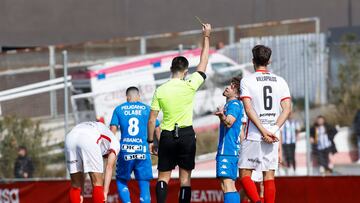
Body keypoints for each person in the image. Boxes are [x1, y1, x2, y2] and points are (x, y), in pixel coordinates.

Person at [147, 22, 212, 203]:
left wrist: (151, 141)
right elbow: (203, 62)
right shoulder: (190, 85)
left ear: (171, 70)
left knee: (163, 178)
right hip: (186, 134)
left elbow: (152, 120)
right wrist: (206, 36)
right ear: (185, 71)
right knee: (185, 180)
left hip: (167, 135)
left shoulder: (160, 90)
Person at [238, 45, 291, 203]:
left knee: (244, 174)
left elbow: (248, 109)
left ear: (252, 61)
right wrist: (272, 130)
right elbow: (287, 109)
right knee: (269, 176)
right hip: (273, 136)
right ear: (269, 61)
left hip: (255, 134)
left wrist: (262, 130)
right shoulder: (280, 81)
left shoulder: (247, 81)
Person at [110, 86, 160, 203]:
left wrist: (109, 148)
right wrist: (159, 145)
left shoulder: (119, 109)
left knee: (121, 180)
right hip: (143, 150)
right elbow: (157, 127)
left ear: (127, 97)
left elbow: (113, 129)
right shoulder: (147, 109)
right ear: (138, 96)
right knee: (144, 184)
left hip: (125, 151)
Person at [65, 121, 120, 203]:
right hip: (88, 139)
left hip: (70, 138)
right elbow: (109, 167)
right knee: (97, 183)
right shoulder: (115, 143)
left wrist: (82, 193)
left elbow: (83, 168)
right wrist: (105, 192)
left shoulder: (100, 130)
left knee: (75, 185)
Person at [214, 77, 244, 203]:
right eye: (229, 84)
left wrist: (222, 117)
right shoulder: (230, 105)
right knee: (226, 185)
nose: (228, 87)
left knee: (227, 185)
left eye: (232, 86)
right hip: (229, 150)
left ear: (237, 93)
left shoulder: (234, 105)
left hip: (228, 150)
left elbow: (229, 122)